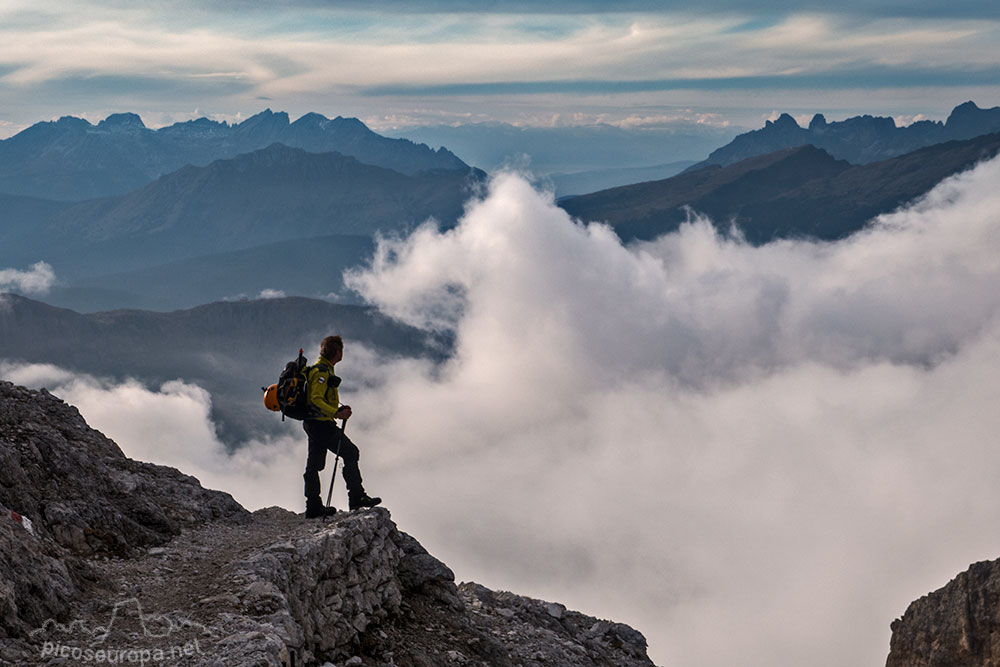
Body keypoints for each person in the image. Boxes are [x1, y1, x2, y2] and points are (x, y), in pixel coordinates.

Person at [302, 335, 381, 518]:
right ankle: (356, 497)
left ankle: (313, 506)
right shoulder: (322, 372)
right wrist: (336, 413)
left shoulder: (320, 369)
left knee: (313, 465)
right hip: (322, 424)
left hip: (313, 423)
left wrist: (337, 408)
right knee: (351, 452)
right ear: (338, 352)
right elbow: (315, 399)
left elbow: (319, 399)